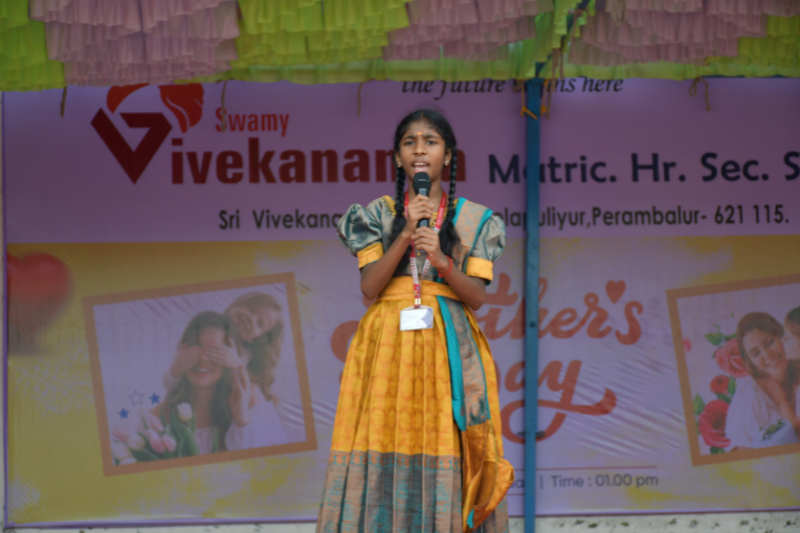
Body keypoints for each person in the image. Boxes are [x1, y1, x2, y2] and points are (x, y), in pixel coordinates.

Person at [317, 109, 513, 533]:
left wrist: (442, 261)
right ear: (397, 157)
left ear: (448, 156)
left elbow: (477, 298)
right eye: (410, 142)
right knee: (383, 435)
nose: (420, 150)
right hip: (388, 343)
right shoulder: (376, 214)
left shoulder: (475, 219)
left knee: (446, 437)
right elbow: (371, 287)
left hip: (448, 345)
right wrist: (405, 233)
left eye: (431, 142)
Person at [153, 311, 286, 454]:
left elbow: (276, 458)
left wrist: (241, 418)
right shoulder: (160, 415)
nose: (204, 358)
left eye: (215, 351)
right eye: (197, 348)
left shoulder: (251, 399)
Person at [165, 292, 285, 408]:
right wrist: (176, 370)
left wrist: (236, 367)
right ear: (233, 306)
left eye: (259, 324)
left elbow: (243, 399)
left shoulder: (245, 360)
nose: (251, 318)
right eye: (251, 309)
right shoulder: (203, 329)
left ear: (256, 339)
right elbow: (170, 387)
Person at [727, 312, 800, 449]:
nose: (767, 355)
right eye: (756, 353)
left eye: (770, 342)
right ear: (749, 361)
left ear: (782, 336)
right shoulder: (750, 399)